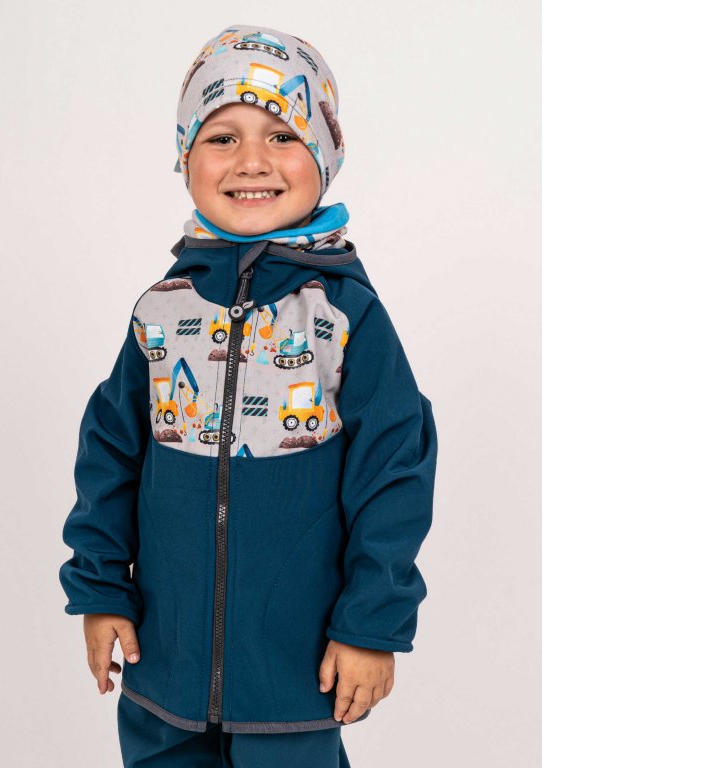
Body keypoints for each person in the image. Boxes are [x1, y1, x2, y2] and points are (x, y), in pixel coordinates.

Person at [58, 24, 438, 767]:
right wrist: (100, 591)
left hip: (296, 676)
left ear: (324, 158)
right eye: (222, 137)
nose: (252, 161)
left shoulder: (345, 315)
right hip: (163, 670)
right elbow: (108, 456)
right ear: (186, 159)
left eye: (283, 135)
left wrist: (371, 625)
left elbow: (394, 474)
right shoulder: (161, 310)